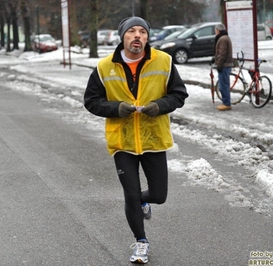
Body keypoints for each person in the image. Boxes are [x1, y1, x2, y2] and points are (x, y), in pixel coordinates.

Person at [84, 16, 188, 264]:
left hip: (154, 138)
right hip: (123, 141)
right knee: (130, 194)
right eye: (132, 31)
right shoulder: (104, 67)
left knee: (159, 195)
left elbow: (179, 95)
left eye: (142, 31)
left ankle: (143, 200)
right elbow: (91, 101)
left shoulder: (164, 61)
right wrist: (116, 108)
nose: (137, 36)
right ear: (123, 37)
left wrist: (159, 105)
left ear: (148, 37)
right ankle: (141, 242)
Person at [213, 23, 233, 111]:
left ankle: (226, 103)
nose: (215, 32)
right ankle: (226, 102)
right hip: (226, 65)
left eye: (215, 30)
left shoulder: (222, 39)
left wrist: (219, 64)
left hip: (224, 65)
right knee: (225, 84)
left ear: (218, 30)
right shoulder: (225, 37)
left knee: (223, 85)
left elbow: (222, 53)